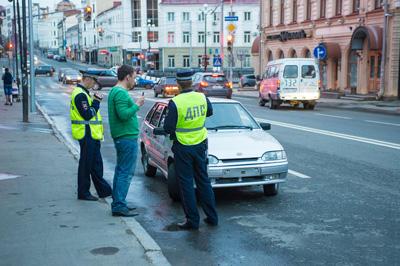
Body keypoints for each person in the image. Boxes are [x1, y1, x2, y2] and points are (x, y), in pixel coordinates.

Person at [163, 69, 218, 230]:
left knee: (186, 183)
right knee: (203, 181)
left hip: (183, 146)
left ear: (178, 84)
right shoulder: (202, 97)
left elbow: (168, 127)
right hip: (200, 144)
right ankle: (212, 217)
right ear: (192, 82)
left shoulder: (176, 102)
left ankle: (192, 221)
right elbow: (210, 112)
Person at [108, 65, 145, 217]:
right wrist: (137, 105)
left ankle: (118, 202)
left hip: (123, 137)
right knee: (125, 172)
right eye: (134, 77)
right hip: (126, 137)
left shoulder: (115, 91)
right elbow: (123, 115)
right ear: (128, 77)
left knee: (120, 170)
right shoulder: (120, 93)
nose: (134, 80)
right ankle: (119, 205)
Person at [70, 71, 112, 201]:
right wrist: (97, 102)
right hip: (86, 134)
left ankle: (104, 190)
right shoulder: (80, 95)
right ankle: (83, 192)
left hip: (92, 135)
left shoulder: (84, 93)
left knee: (96, 164)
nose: (94, 84)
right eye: (93, 81)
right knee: (86, 165)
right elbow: (87, 114)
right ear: (87, 79)